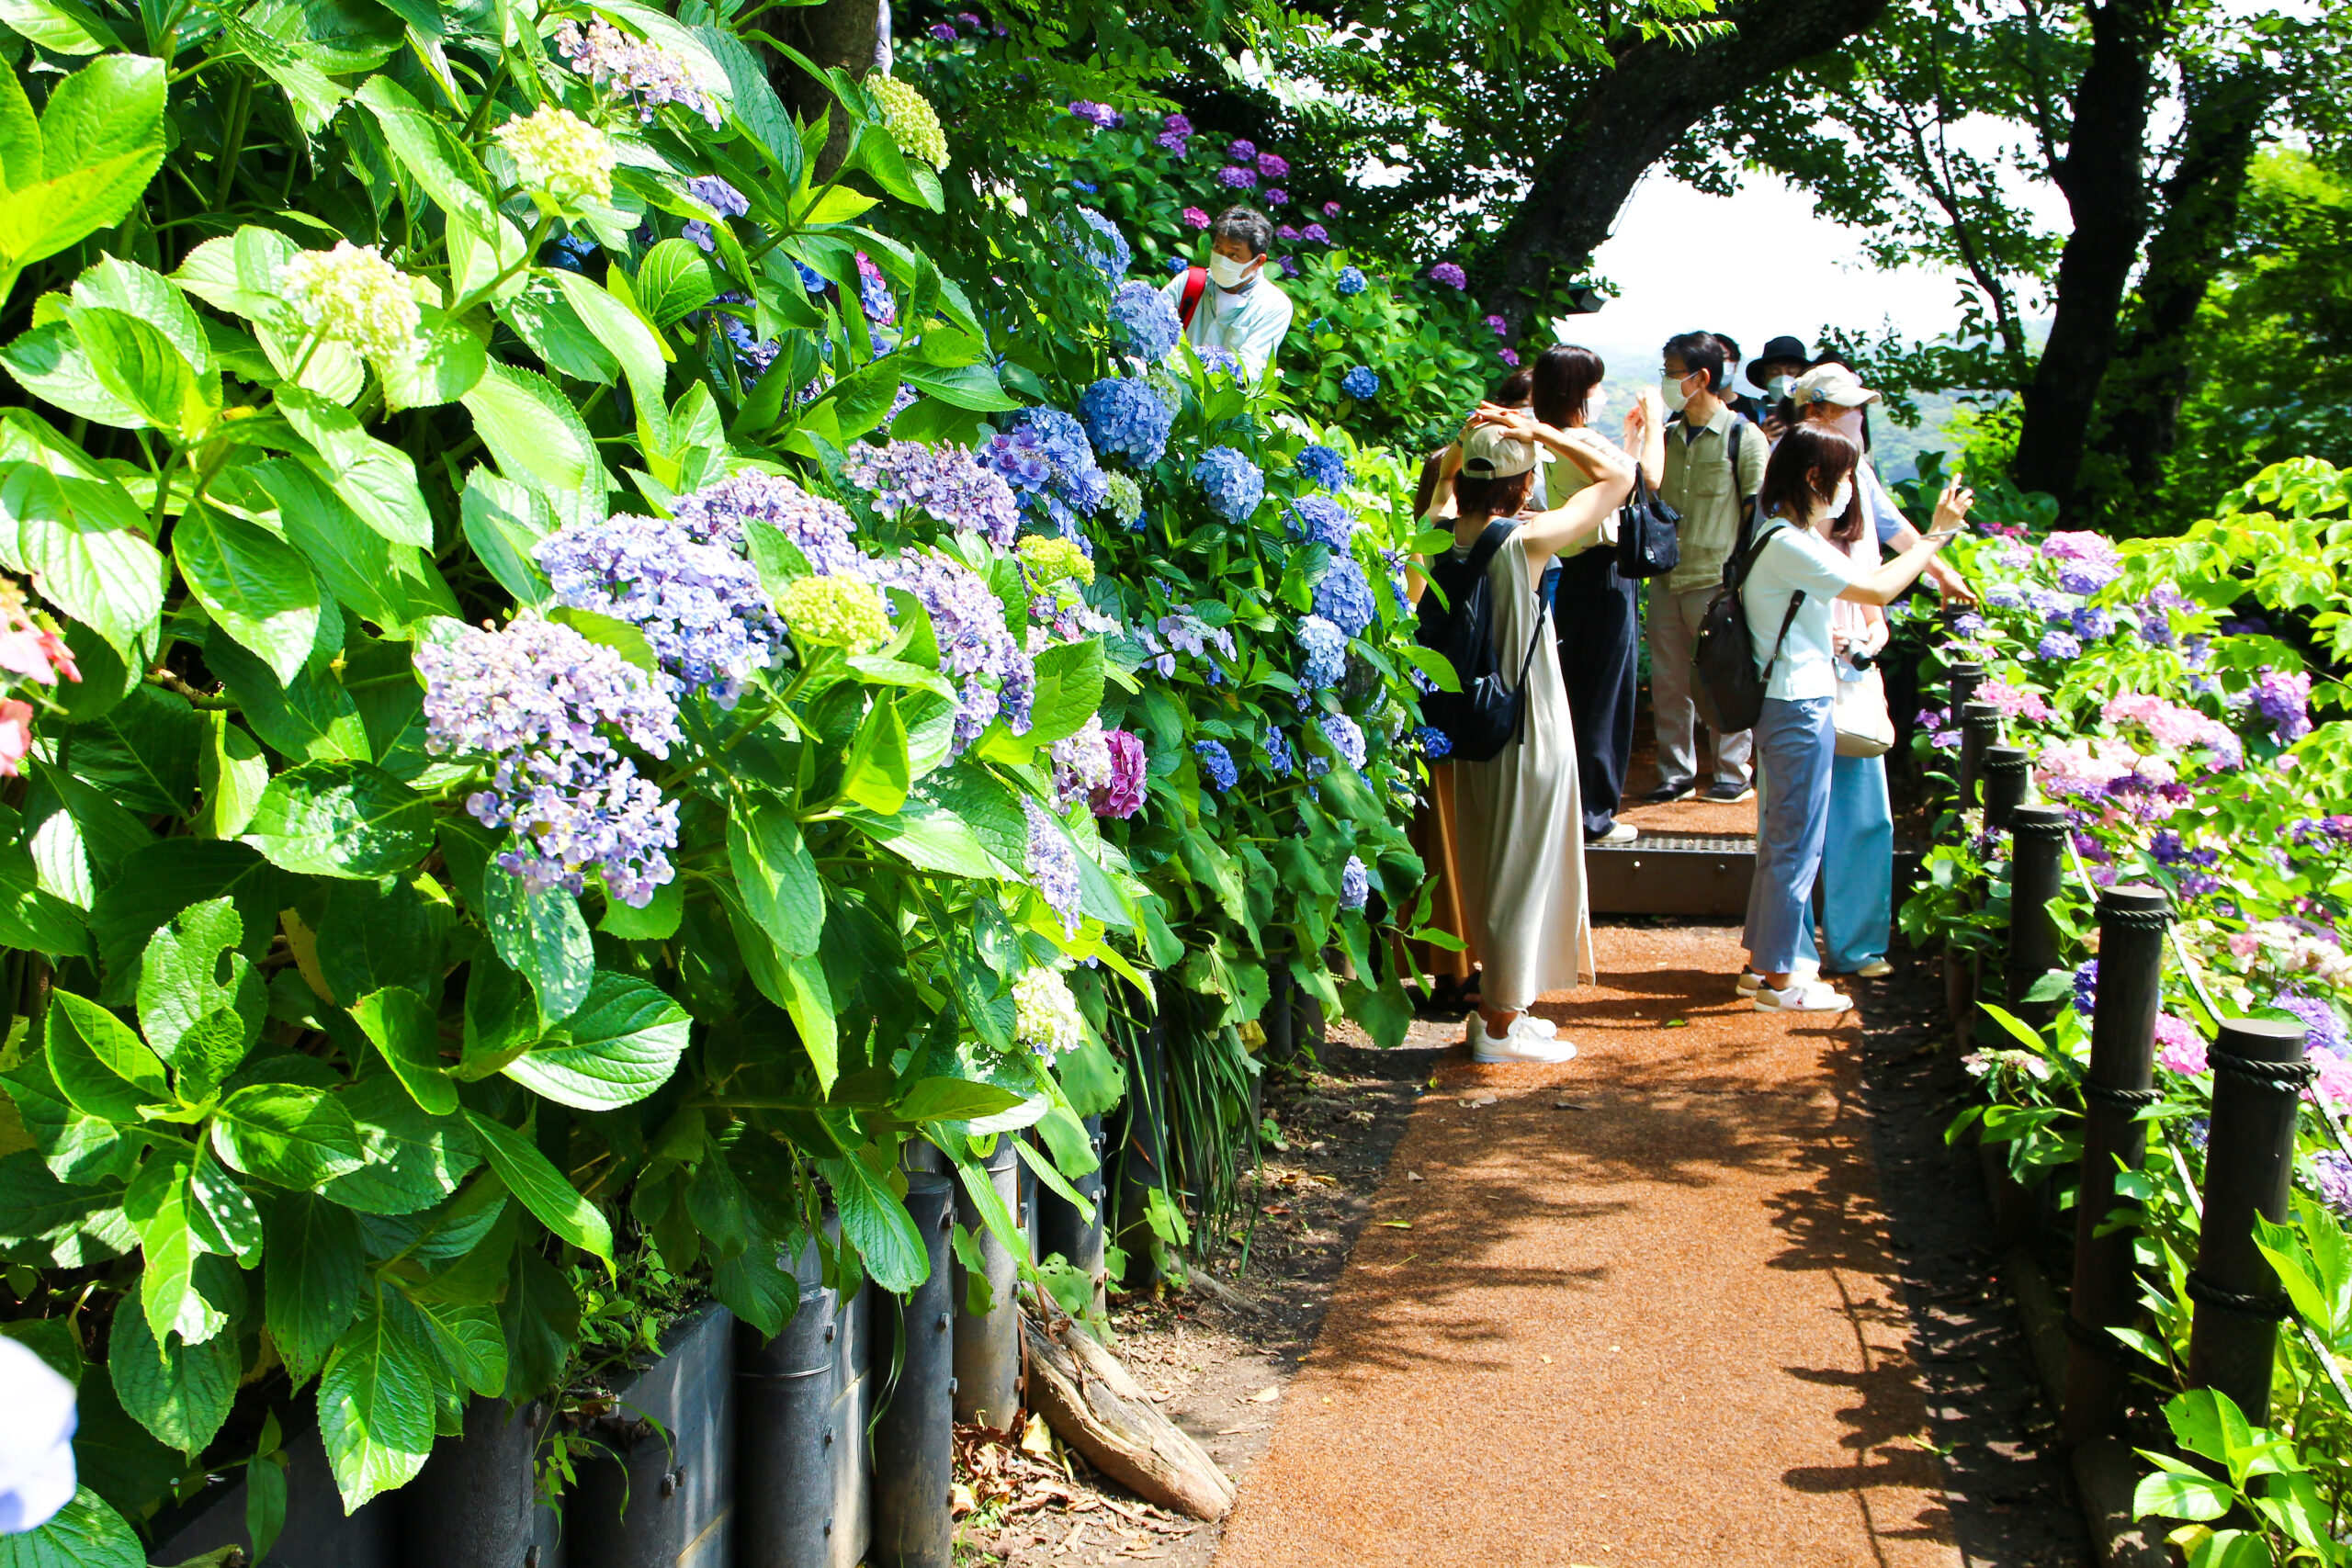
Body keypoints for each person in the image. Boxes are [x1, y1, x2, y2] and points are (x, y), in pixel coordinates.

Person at [1420, 412, 1635, 1061]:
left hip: (1471, 726)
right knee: (1524, 868)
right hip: (1528, 723)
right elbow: (1619, 476)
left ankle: (1502, 1009)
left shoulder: (1432, 534)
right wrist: (1538, 429)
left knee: (1496, 863)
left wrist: (1466, 444)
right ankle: (1500, 1024)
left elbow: (1439, 483)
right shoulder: (1526, 540)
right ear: (1522, 483)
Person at [1739, 424, 1972, 1011]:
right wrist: (1935, 539)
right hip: (1796, 704)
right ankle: (1779, 979)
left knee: (1788, 839)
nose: (1849, 490)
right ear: (1815, 479)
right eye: (1843, 478)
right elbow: (1876, 589)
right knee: (1795, 842)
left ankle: (1767, 965)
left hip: (1793, 700)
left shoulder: (1783, 532)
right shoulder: (1790, 542)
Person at [1531, 344, 1663, 845]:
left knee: (1572, 687)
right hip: (1605, 576)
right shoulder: (1580, 439)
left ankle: (1570, 807)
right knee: (1607, 692)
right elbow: (1646, 479)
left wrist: (1627, 439)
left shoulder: (1546, 441)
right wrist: (1654, 426)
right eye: (1594, 386)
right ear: (1579, 393)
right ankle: (1595, 814)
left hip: (1562, 570)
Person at [1645, 330, 1768, 805]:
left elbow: (1756, 512)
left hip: (1717, 582)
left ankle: (1733, 771)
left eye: (1673, 374)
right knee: (1669, 681)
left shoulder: (1744, 435)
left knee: (1723, 676)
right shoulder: (1667, 437)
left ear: (1702, 377)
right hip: (1666, 577)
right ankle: (1675, 772)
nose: (1667, 383)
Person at [1789, 361, 1976, 605]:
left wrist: (1943, 574)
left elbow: (1893, 526)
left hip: (1857, 601)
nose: (1857, 415)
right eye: (1846, 407)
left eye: (1859, 407)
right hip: (1812, 605)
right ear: (1814, 413)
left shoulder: (1856, 467)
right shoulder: (1789, 466)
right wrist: (1937, 535)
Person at [1159, 206, 1295, 380]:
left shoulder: (1274, 306)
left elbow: (1248, 371)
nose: (1222, 259)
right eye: (1218, 249)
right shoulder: (1188, 283)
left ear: (1258, 261)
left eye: (1233, 255)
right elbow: (1152, 328)